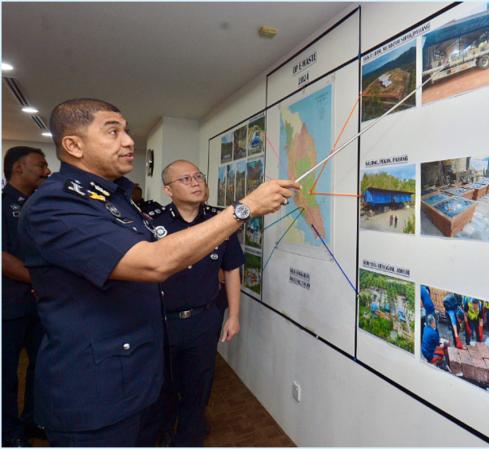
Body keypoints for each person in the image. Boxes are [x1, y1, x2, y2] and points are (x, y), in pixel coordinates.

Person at [17, 98, 299, 446]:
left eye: (127, 131)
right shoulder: (57, 203)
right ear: (73, 145)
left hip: (139, 377)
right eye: (112, 131)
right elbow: (154, 262)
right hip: (97, 392)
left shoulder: (116, 200)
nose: (128, 141)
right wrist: (245, 208)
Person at [149, 160, 244, 446]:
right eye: (185, 179)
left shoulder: (220, 221)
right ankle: (161, 436)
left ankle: (188, 438)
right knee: (160, 386)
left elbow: (232, 270)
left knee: (198, 386)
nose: (195, 182)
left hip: (204, 319)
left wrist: (233, 315)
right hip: (161, 321)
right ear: (168, 189)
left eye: (198, 176)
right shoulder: (152, 222)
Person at [2, 146, 51, 446]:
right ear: (18, 168)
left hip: (40, 305)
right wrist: (42, 281)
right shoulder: (3, 205)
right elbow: (3, 258)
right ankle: (8, 434)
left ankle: (33, 420)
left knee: (41, 367)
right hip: (9, 306)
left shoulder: (38, 206)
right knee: (6, 375)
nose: (46, 170)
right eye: (40, 165)